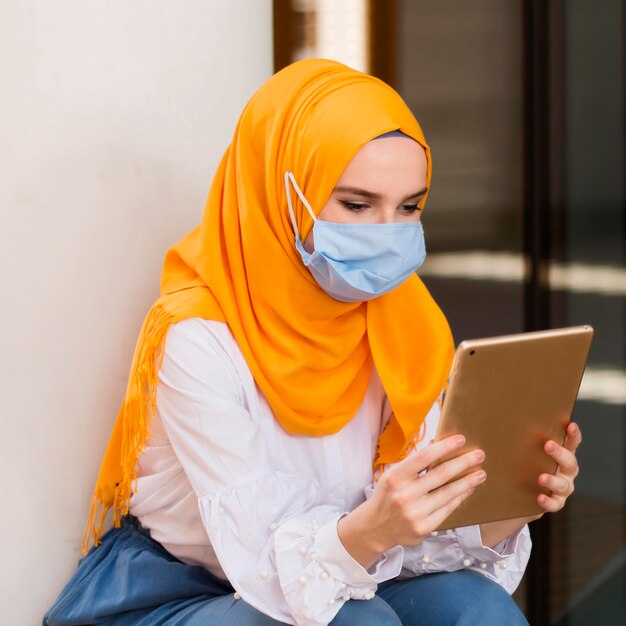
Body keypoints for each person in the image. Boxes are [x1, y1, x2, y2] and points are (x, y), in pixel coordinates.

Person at [43, 59, 582, 626]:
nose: (385, 234)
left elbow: (400, 543)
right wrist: (377, 526)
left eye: (409, 208)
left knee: (479, 609)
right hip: (185, 589)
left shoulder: (406, 322)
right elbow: (265, 557)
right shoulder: (196, 337)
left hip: (346, 567)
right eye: (355, 204)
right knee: (358, 623)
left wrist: (506, 504)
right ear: (280, 192)